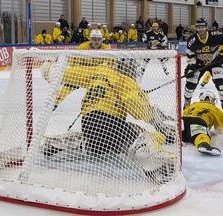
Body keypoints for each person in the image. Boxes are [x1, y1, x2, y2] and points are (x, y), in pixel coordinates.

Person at [41, 55, 176, 184]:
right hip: (109, 121)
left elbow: (69, 73)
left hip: (88, 122)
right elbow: (138, 109)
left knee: (97, 144)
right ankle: (156, 165)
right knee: (138, 137)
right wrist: (152, 117)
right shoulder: (125, 80)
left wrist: (50, 69)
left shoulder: (99, 70)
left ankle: (58, 145)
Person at [184, 18, 223, 114]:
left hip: (214, 62)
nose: (201, 29)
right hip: (199, 63)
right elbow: (190, 55)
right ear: (196, 28)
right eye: (199, 27)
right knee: (190, 82)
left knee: (221, 82)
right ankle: (187, 102)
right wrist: (190, 67)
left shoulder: (215, 35)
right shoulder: (192, 40)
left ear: (206, 27)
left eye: (203, 27)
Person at [181, 90, 223, 156]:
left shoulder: (192, 105)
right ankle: (203, 145)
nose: (214, 102)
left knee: (182, 135)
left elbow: (184, 113)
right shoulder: (214, 108)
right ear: (208, 98)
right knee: (201, 135)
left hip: (184, 122)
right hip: (198, 122)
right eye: (213, 100)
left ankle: (168, 138)